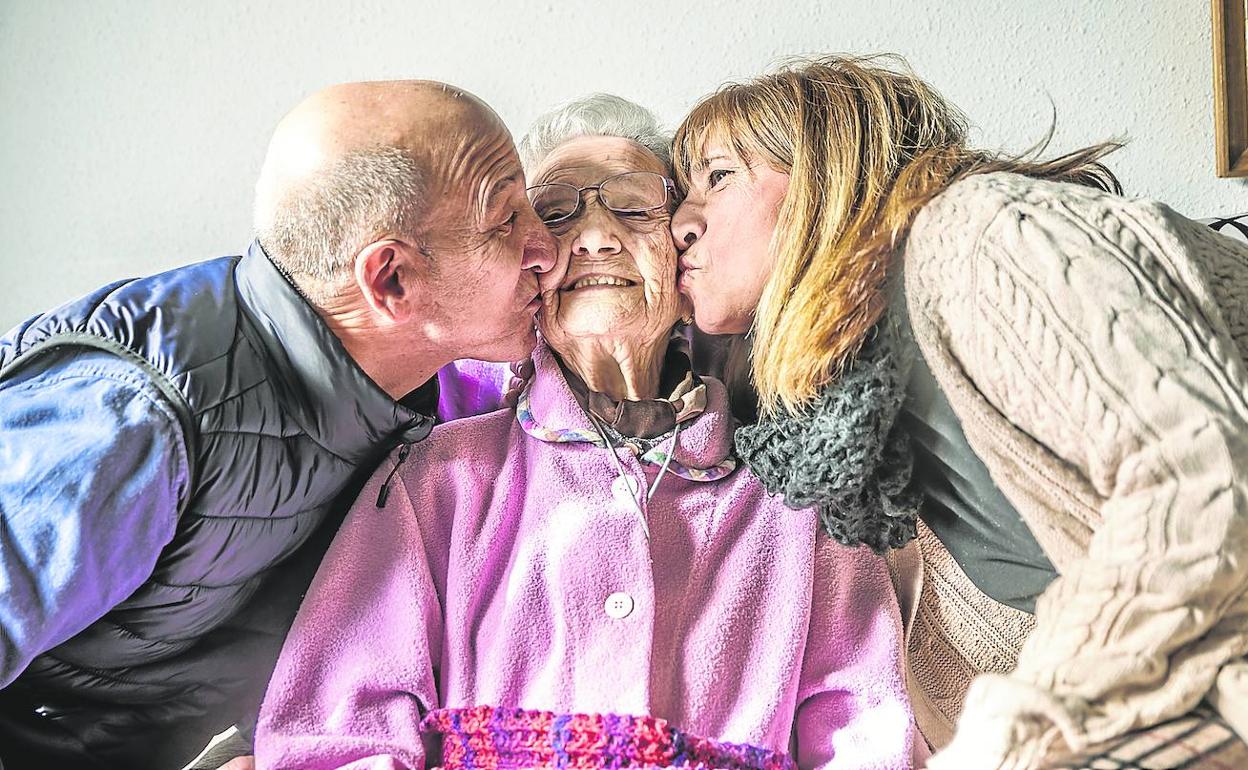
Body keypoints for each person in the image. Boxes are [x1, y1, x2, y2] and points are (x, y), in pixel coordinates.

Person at [254, 94, 917, 770]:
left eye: (633, 208)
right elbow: (336, 740)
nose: (596, 237)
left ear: (684, 250)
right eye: (557, 213)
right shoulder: (434, 481)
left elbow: (867, 733)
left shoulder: (794, 499)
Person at [668, 54, 1248, 769]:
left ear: (827, 171)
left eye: (718, 177)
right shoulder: (858, 424)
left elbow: (1205, 493)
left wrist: (1013, 743)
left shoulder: (979, 239)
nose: (679, 224)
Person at [0, 80, 556, 770]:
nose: (546, 248)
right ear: (392, 283)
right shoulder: (134, 420)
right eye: (505, 221)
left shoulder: (431, 400)